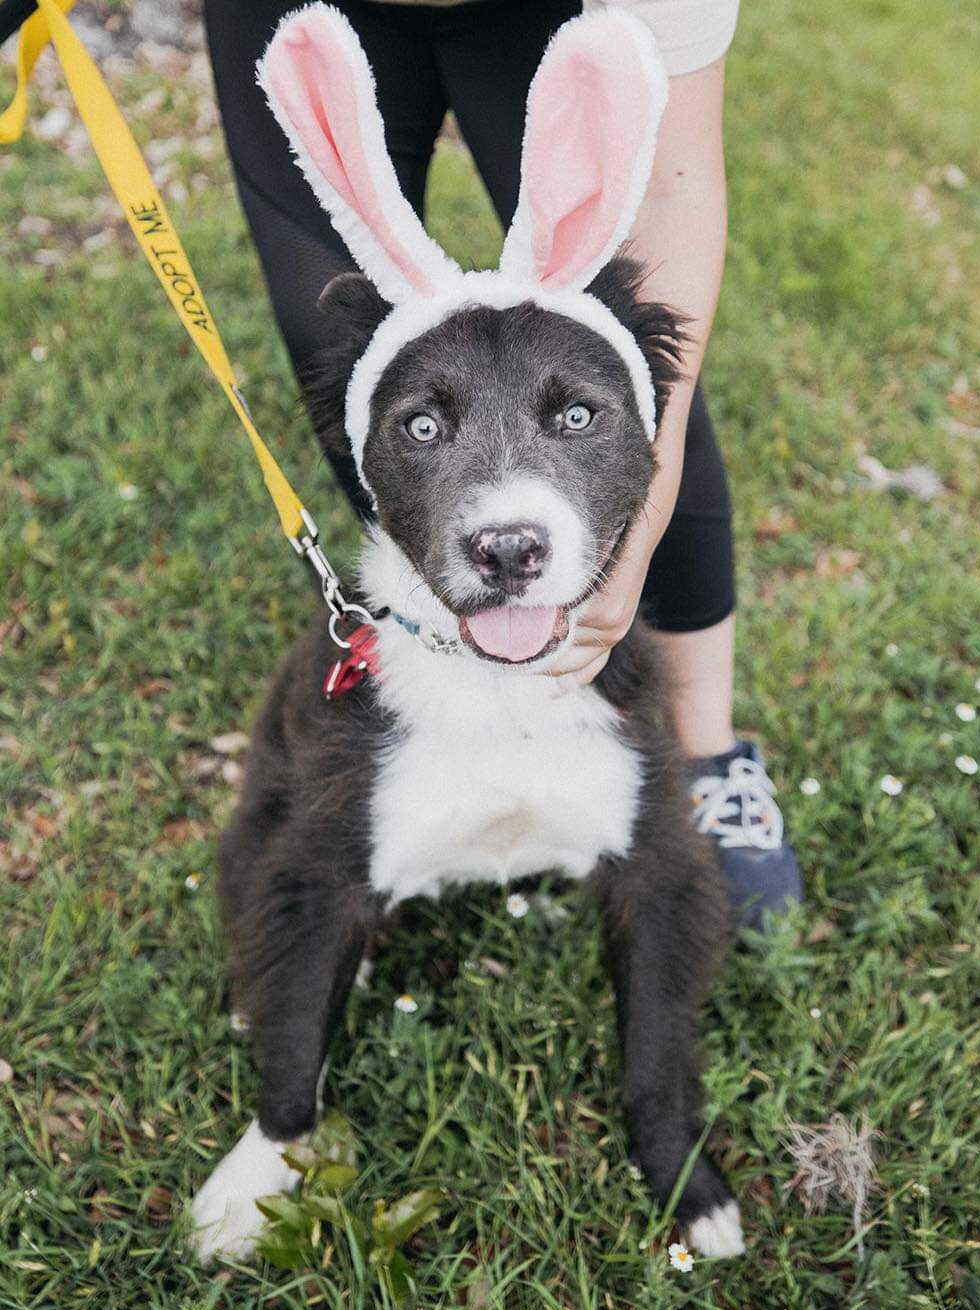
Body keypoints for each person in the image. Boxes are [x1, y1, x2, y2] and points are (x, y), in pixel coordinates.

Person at [203, 0, 802, 928]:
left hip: (538, 17)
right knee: (372, 381)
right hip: (295, 17)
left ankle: (705, 750)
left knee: (617, 399)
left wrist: (641, 514)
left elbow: (671, 191)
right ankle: (435, 714)